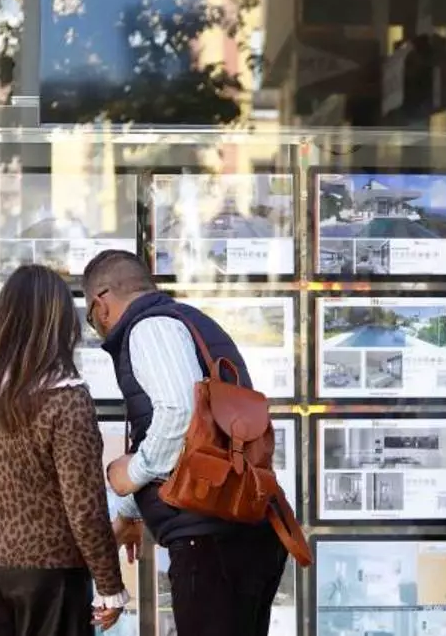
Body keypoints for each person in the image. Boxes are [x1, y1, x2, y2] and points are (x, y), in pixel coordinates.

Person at [82, 249, 287, 636]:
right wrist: (131, 511)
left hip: (210, 539)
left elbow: (179, 414)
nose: (98, 327)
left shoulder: (148, 329)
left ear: (101, 304)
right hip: (239, 526)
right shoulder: (188, 323)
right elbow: (198, 442)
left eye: (91, 320)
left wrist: (131, 474)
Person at [0, 264, 127, 636]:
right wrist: (109, 585)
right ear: (59, 324)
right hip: (51, 570)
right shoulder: (66, 395)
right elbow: (83, 503)